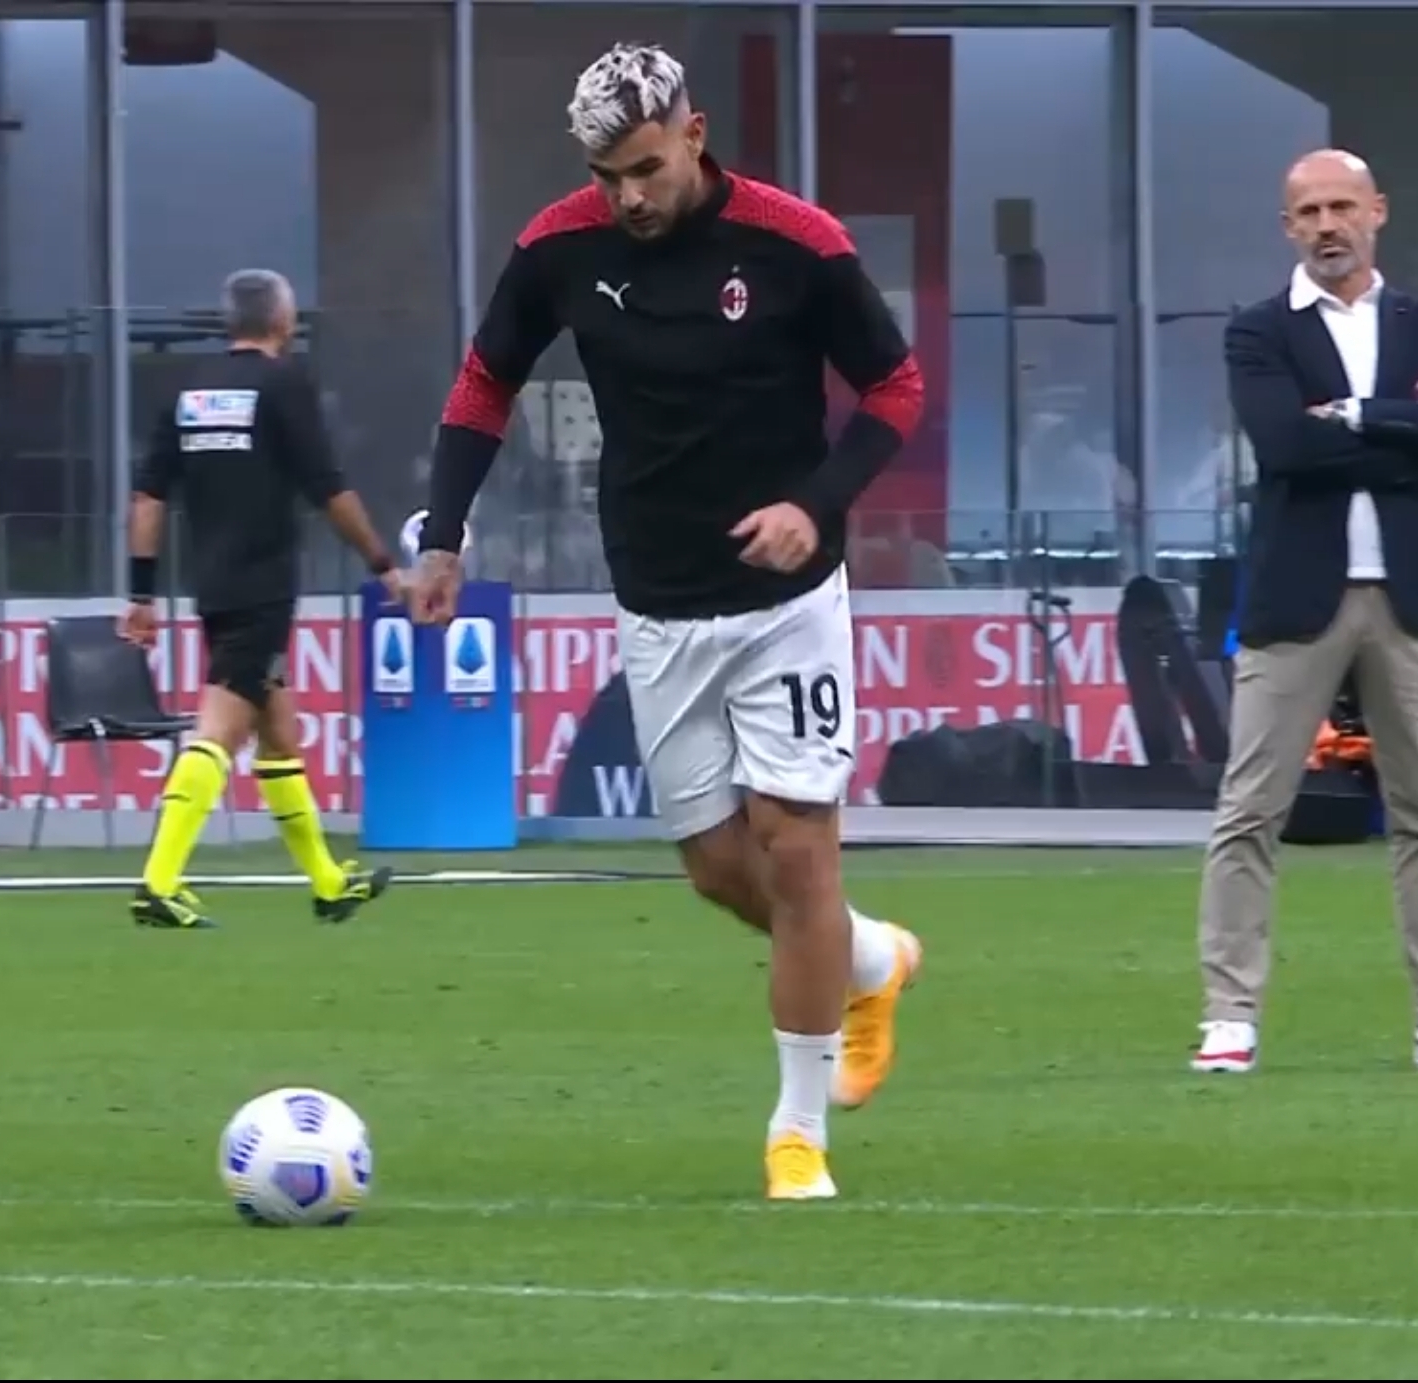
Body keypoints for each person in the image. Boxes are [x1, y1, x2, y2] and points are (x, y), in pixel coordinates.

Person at [410, 43, 925, 1200]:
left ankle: (796, 1135)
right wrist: (442, 537)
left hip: (790, 603)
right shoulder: (556, 248)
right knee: (719, 873)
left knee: (797, 850)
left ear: (693, 135)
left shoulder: (795, 242)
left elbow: (893, 387)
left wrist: (813, 505)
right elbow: (483, 384)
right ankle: (870, 959)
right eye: (606, 176)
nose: (627, 197)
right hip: (656, 599)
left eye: (644, 168)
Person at [1195, 148, 1418, 1075]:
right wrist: (1409, 422)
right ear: (1288, 226)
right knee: (1250, 810)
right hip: (1299, 596)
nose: (1327, 225)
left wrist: (1354, 415)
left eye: (1341, 207)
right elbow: (1285, 446)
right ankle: (1230, 1014)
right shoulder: (1259, 330)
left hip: (1413, 596)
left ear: (1377, 211)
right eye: (1309, 212)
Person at [122, 268, 399, 930]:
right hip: (264, 587)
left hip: (215, 585)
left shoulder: (188, 391)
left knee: (278, 733)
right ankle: (158, 880)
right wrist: (384, 566)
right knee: (219, 728)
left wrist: (140, 593)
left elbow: (148, 498)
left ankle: (328, 883)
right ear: (282, 321)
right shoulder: (283, 383)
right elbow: (328, 488)